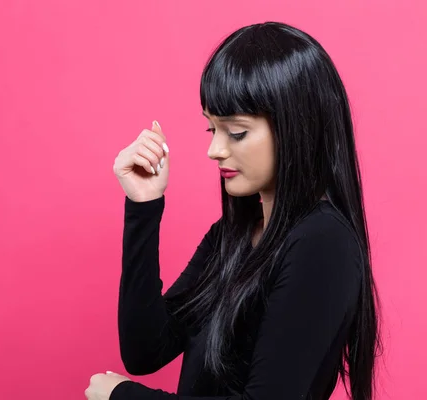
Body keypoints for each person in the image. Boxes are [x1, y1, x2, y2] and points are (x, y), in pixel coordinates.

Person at [85, 21, 380, 400]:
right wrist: (144, 207)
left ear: (296, 128)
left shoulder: (322, 243)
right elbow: (146, 350)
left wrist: (122, 396)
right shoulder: (232, 235)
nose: (215, 150)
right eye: (212, 130)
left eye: (236, 132)